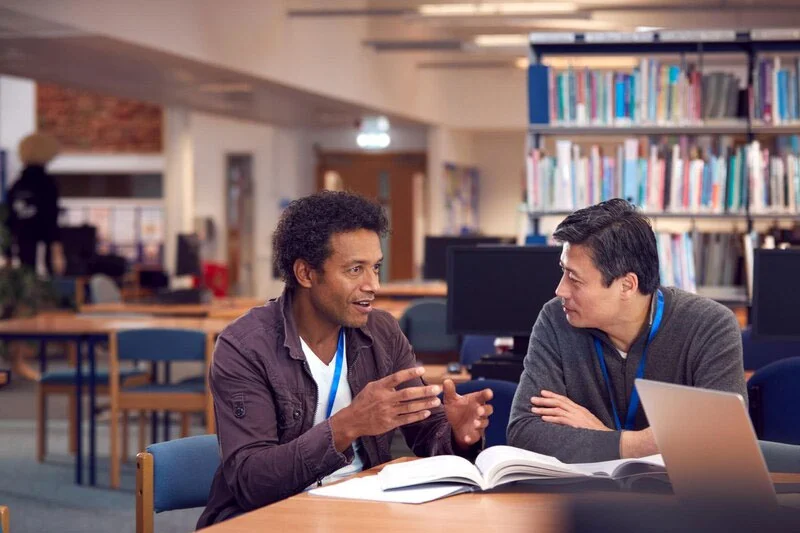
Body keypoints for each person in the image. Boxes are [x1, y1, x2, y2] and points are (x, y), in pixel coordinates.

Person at [198, 191, 494, 527]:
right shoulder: (244, 347)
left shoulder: (382, 332)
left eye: (376, 267)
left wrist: (456, 433)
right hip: (267, 519)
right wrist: (348, 424)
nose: (373, 285)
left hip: (358, 511)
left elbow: (427, 432)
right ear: (306, 274)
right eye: (355, 270)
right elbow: (252, 482)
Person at [507, 199, 747, 462]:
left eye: (574, 279)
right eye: (563, 271)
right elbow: (525, 432)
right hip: (582, 495)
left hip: (678, 498)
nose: (560, 290)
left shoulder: (710, 326)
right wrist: (638, 444)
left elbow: (722, 442)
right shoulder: (555, 319)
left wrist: (602, 436)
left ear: (626, 286)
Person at [5, 132, 61, 274]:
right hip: (41, 246)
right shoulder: (47, 184)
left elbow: (9, 220)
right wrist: (57, 251)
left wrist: (8, 253)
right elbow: (51, 220)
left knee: (25, 279)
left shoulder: (16, 185)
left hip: (19, 244)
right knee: (40, 282)